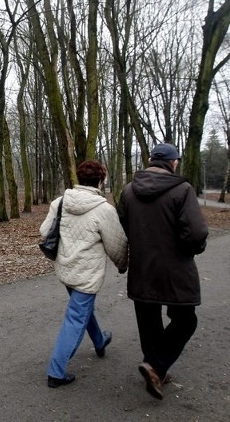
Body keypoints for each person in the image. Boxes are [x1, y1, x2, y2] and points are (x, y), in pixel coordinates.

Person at [117, 143, 208, 400]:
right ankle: (156, 366)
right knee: (186, 320)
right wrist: (191, 248)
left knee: (148, 322)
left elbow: (121, 226)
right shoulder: (182, 190)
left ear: (150, 160)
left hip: (141, 269)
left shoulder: (128, 191)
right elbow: (197, 232)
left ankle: (156, 368)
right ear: (173, 162)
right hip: (175, 270)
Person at [41, 160, 128, 388]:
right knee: (76, 317)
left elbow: (44, 231)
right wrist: (122, 264)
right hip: (87, 274)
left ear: (79, 178)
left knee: (81, 309)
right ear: (100, 180)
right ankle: (56, 372)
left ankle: (99, 341)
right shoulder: (104, 209)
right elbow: (116, 245)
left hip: (65, 269)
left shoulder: (60, 202)